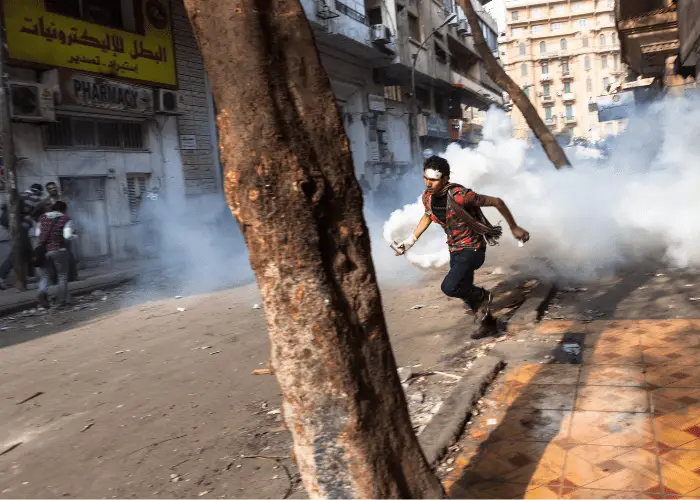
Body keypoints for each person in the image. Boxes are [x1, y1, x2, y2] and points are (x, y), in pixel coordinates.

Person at [394, 156, 530, 337]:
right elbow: (428, 215)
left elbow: (497, 202)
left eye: (433, 180)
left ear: (444, 179)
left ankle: (483, 296)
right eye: (426, 178)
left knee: (450, 287)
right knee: (465, 289)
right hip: (455, 249)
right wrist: (410, 240)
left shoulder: (461, 196)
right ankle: (488, 324)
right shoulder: (427, 198)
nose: (428, 183)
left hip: (473, 249)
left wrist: (514, 227)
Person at [0, 184, 43, 289]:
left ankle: (30, 276)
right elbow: (31, 214)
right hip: (18, 227)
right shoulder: (33, 197)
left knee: (27, 251)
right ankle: (2, 277)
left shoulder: (22, 194)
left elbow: (4, 207)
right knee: (18, 252)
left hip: (12, 225)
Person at [35, 201, 77, 308]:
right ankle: (61, 301)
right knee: (62, 276)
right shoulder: (66, 219)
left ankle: (42, 291)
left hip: (44, 251)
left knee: (45, 275)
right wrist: (75, 236)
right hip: (59, 249)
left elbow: (37, 234)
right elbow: (67, 236)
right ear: (64, 209)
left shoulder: (43, 217)